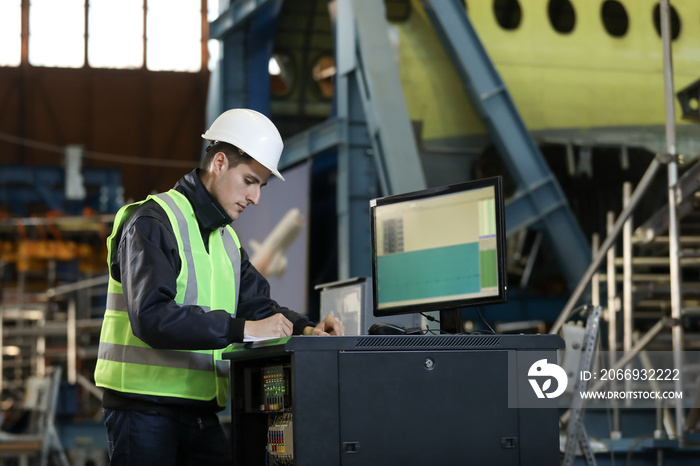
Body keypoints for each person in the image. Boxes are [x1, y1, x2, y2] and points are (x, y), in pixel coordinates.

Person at [94, 108, 344, 465]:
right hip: (142, 409)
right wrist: (241, 330)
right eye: (250, 181)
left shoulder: (225, 239)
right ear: (220, 163)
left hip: (198, 411)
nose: (256, 198)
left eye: (261, 185)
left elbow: (256, 307)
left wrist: (307, 328)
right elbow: (151, 317)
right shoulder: (151, 222)